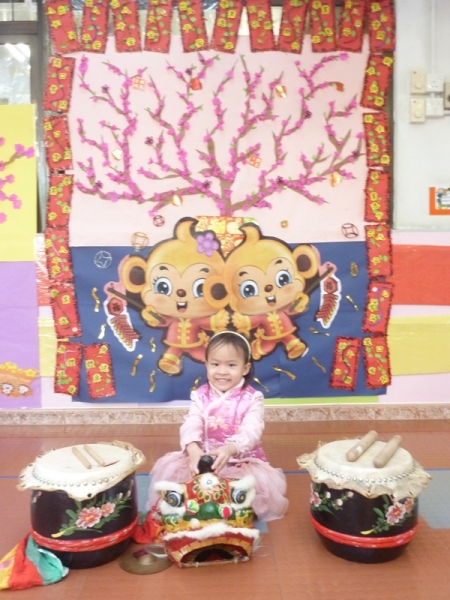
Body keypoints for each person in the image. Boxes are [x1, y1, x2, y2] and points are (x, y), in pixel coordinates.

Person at [146, 330, 288, 521]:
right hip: (202, 457)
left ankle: (223, 507)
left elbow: (251, 430)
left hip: (239, 461)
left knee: (247, 492)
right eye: (215, 364)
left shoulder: (253, 398)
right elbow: (192, 421)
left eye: (231, 365)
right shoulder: (200, 396)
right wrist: (193, 448)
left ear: (245, 368)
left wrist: (230, 449)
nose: (222, 371)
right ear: (206, 365)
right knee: (176, 481)